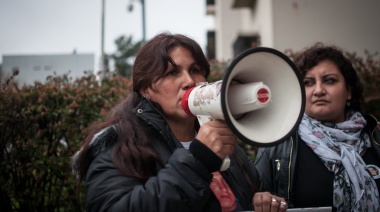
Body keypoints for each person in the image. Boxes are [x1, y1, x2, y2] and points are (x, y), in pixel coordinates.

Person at [72, 32, 286, 212]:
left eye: (194, 70)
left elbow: (249, 193)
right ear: (146, 89)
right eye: (173, 72)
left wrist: (260, 200)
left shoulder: (222, 144)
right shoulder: (120, 147)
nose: (189, 82)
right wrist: (199, 160)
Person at [254, 42, 380, 211]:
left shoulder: (375, 136)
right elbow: (254, 198)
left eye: (329, 80)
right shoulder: (276, 143)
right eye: (308, 82)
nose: (318, 90)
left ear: (348, 91)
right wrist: (262, 199)